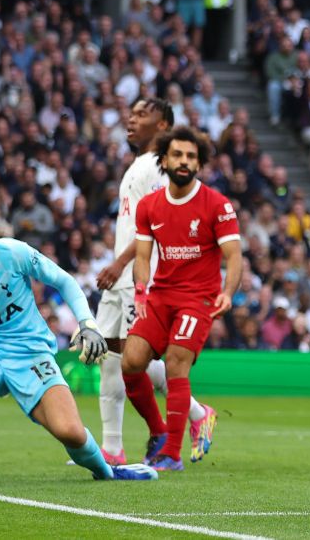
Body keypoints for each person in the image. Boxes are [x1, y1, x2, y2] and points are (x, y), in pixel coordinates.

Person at [0, 202, 158, 484]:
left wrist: (88, 324)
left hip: (33, 356)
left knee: (71, 432)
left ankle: (108, 471)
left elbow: (65, 281)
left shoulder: (11, 252)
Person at [93, 99, 217, 466]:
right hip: (121, 278)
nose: (131, 119)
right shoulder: (138, 164)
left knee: (135, 358)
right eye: (129, 114)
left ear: (162, 124)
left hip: (139, 276)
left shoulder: (161, 166)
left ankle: (190, 417)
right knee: (111, 359)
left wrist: (120, 263)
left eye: (141, 114)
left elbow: (156, 221)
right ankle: (113, 448)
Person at [121, 126, 243, 471]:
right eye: (177, 154)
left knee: (176, 360)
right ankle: (160, 432)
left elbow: (234, 256)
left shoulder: (217, 205)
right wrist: (141, 292)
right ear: (164, 160)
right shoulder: (149, 206)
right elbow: (143, 257)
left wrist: (227, 292)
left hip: (198, 299)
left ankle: (171, 454)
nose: (184, 161)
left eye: (191, 156)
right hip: (159, 296)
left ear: (200, 164)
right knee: (130, 362)